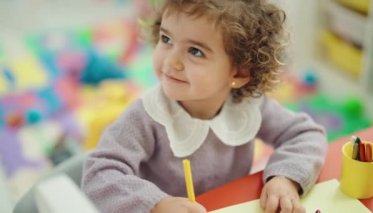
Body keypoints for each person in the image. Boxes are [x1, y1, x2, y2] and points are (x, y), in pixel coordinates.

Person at [81, 0, 328, 212]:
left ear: (239, 72)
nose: (171, 60)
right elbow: (98, 172)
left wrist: (285, 177)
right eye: (166, 39)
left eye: (195, 52)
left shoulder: (249, 106)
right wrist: (155, 204)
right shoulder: (146, 117)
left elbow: (305, 134)